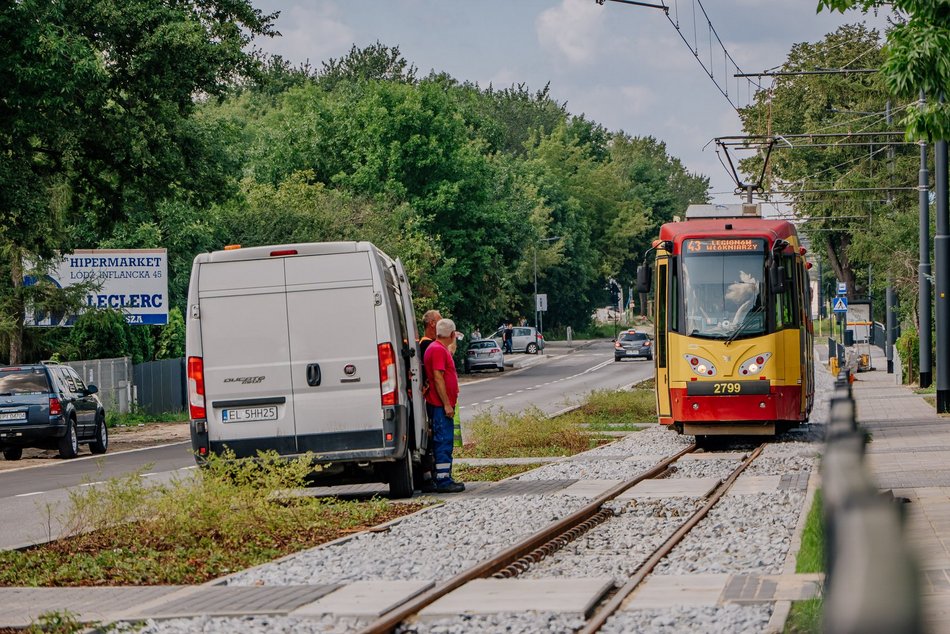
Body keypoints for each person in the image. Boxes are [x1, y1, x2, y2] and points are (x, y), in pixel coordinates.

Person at [423, 318, 465, 493]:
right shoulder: (438, 350)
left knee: (443, 441)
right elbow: (438, 378)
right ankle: (443, 480)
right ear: (453, 334)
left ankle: (444, 476)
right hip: (440, 406)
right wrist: (447, 404)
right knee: (443, 441)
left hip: (439, 405)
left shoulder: (436, 348)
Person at [417, 309, 441, 492]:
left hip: (433, 397)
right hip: (432, 398)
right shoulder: (427, 345)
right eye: (439, 319)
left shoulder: (429, 344)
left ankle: (431, 473)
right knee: (432, 435)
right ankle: (429, 475)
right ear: (432, 323)